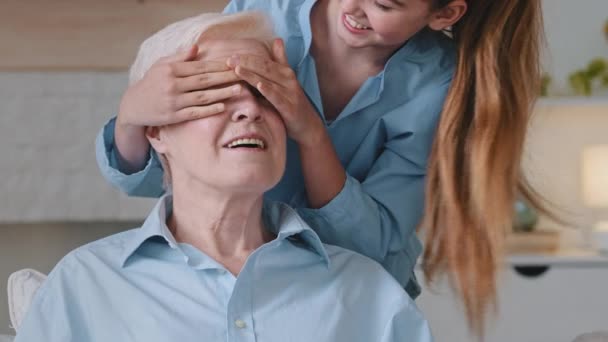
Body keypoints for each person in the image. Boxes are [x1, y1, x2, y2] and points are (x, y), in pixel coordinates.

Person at [96, 0, 545, 332]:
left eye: (385, 4)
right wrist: (136, 114)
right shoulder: (262, 13)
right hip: (228, 274)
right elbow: (168, 171)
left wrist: (309, 131)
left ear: (444, 14)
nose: (354, 7)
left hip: (344, 303)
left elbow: (373, 244)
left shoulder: (441, 83)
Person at [15, 12, 432, 342]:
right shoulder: (86, 284)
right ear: (156, 131)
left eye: (265, 93)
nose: (250, 110)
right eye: (214, 94)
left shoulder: (369, 294)